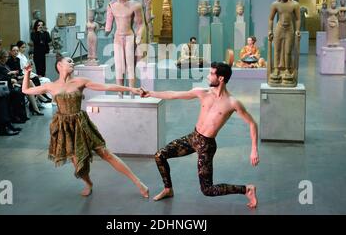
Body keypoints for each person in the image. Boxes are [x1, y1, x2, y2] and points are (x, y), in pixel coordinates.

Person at [21, 54, 149, 198]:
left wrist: (130, 89)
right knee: (78, 163)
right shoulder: (51, 86)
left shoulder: (80, 81)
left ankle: (139, 183)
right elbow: (25, 90)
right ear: (59, 65)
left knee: (105, 153)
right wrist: (26, 73)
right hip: (65, 128)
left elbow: (106, 86)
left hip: (81, 123)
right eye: (69, 61)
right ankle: (88, 183)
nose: (72, 63)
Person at [140, 62, 259, 208]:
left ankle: (247, 189)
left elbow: (252, 123)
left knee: (207, 190)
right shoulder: (202, 93)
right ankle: (168, 189)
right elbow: (174, 94)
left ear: (220, 78)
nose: (208, 76)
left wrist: (253, 149)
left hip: (207, 146)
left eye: (211, 74)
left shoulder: (232, 103)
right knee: (160, 155)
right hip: (193, 137)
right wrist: (151, 93)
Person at [268, 0, 301, 86]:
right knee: (277, 50)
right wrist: (270, 30)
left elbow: (297, 19)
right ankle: (276, 69)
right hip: (279, 28)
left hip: (289, 29)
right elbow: (271, 19)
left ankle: (287, 69)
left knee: (288, 51)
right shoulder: (275, 4)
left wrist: (297, 30)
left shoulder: (295, 4)